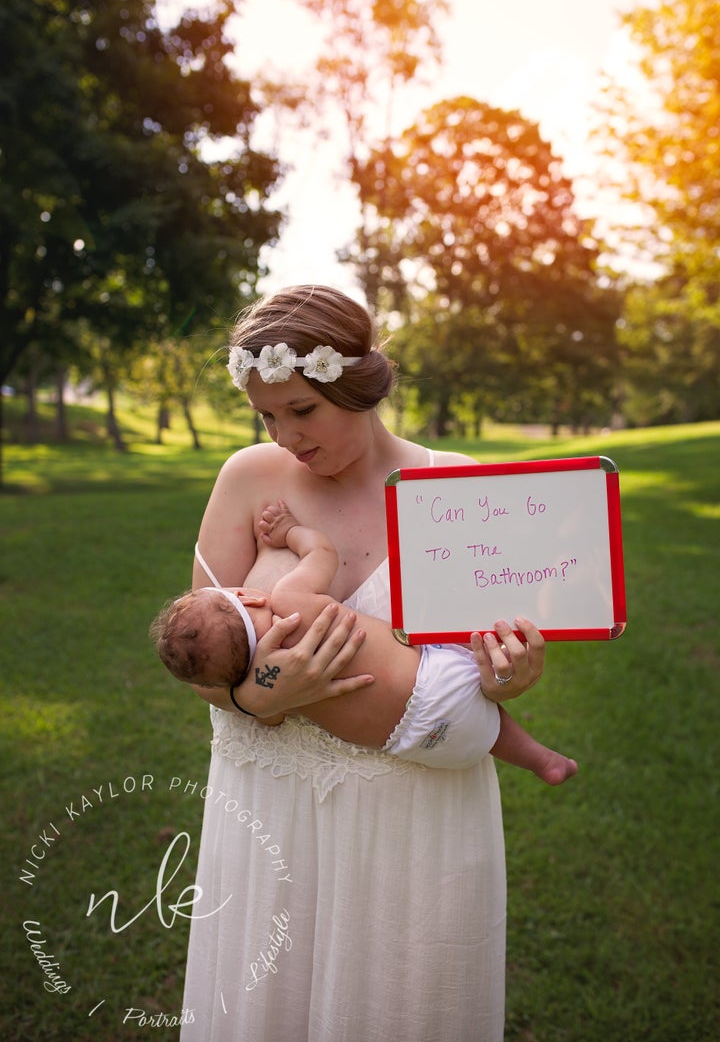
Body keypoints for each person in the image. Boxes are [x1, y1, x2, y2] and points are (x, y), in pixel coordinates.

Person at [179, 284, 548, 1042]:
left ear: (358, 383)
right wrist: (264, 695)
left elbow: (479, 666)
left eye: (303, 411)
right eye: (267, 416)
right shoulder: (247, 481)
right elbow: (204, 660)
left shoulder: (455, 488)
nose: (285, 436)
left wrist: (508, 672)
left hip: (412, 816)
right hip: (270, 803)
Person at [153, 499, 576, 783]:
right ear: (245, 595)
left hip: (421, 745)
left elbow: (268, 718)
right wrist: (291, 532)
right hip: (438, 681)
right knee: (467, 662)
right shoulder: (288, 600)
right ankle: (540, 758)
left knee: (481, 727)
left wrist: (262, 694)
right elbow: (323, 553)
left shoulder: (276, 687)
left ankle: (541, 761)